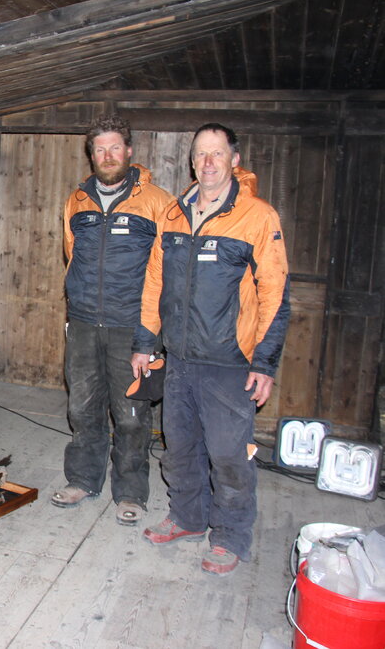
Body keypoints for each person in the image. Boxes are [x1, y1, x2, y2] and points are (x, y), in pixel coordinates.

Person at [132, 123, 290, 575]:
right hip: (179, 359)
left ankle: (230, 537)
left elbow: (276, 293)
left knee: (228, 455)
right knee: (179, 448)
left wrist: (264, 362)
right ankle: (186, 517)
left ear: (234, 160)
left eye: (217, 153)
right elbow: (154, 282)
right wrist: (145, 343)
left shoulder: (257, 216)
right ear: (191, 161)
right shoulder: (174, 215)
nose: (208, 162)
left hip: (229, 363)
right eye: (201, 153)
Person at [51, 115, 172, 527]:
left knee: (132, 415)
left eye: (115, 147)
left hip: (132, 327)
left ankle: (131, 491)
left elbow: (164, 270)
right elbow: (71, 254)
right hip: (84, 324)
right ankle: (83, 479)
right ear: (92, 154)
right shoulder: (77, 200)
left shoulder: (156, 201)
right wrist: (75, 311)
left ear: (129, 151)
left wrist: (149, 334)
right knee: (82, 409)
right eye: (100, 149)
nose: (107, 156)